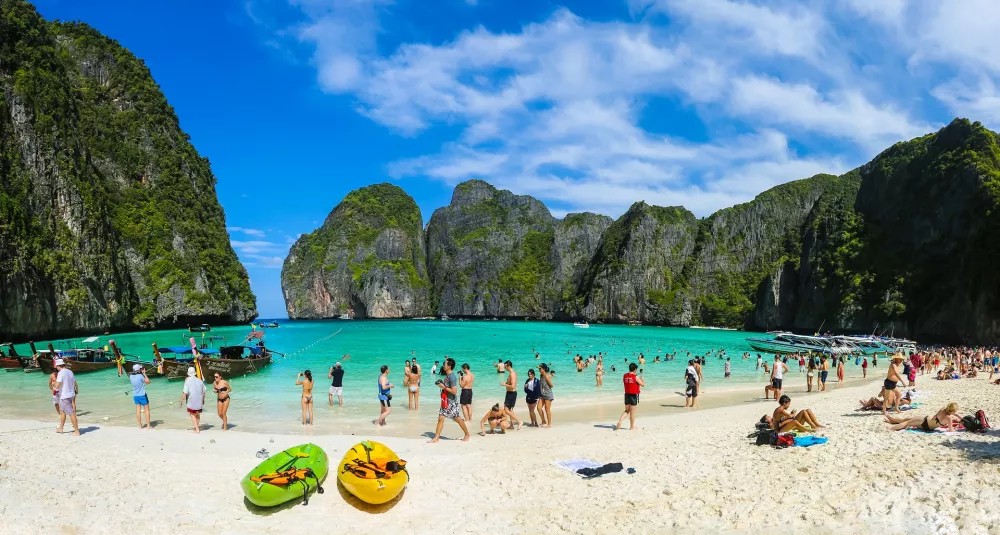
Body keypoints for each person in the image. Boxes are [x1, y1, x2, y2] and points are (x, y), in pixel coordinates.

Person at [429, 358, 471, 442]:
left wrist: (443, 387)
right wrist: (442, 384)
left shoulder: (452, 377)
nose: (443, 365)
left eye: (445, 364)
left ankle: (467, 434)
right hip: (445, 401)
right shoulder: (447, 376)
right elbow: (448, 387)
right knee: (441, 418)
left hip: (451, 402)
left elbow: (454, 391)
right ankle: (436, 438)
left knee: (457, 419)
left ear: (449, 366)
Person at [885, 402, 960, 432]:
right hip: (927, 427)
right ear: (953, 411)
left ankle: (891, 427)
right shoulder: (948, 418)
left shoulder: (943, 409)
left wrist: (955, 415)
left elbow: (936, 417)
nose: (956, 412)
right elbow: (951, 430)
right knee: (908, 420)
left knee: (907, 422)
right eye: (955, 411)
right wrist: (956, 429)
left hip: (925, 420)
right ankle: (891, 421)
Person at [615, 363, 645, 430]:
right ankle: (631, 427)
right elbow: (643, 385)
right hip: (633, 396)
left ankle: (620, 421)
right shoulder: (636, 377)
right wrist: (642, 379)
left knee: (627, 410)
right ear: (635, 369)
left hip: (626, 395)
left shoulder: (624, 376)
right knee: (632, 413)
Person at [54, 359, 80, 436]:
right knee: (62, 411)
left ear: (58, 366)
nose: (56, 368)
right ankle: (61, 428)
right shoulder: (70, 371)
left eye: (57, 366)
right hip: (71, 394)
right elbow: (74, 383)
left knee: (71, 413)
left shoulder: (61, 373)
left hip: (65, 396)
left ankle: (77, 431)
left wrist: (54, 385)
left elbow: (57, 385)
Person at [180, 367, 206, 433]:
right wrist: (203, 400)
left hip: (192, 400)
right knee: (197, 414)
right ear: (195, 373)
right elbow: (204, 392)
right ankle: (196, 428)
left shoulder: (187, 381)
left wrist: (181, 400)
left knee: (192, 414)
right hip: (199, 399)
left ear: (188, 373)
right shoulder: (200, 380)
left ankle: (197, 429)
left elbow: (185, 392)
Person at [499, 360, 522, 429]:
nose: (505, 368)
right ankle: (512, 425)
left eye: (505, 366)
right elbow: (510, 383)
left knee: (506, 410)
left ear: (508, 366)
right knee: (510, 410)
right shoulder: (511, 373)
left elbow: (513, 386)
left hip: (511, 393)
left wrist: (504, 384)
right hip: (510, 393)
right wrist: (506, 382)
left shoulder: (512, 374)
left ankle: (519, 421)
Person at [130, 364, 152, 430]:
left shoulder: (131, 376)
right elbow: (148, 382)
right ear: (138, 369)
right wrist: (144, 374)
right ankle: (148, 426)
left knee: (138, 411)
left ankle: (140, 426)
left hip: (135, 396)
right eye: (140, 368)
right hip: (142, 395)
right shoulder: (140, 376)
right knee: (147, 410)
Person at [537, 363, 554, 428]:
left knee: (547, 409)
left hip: (548, 395)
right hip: (542, 394)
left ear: (543, 369)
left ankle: (549, 424)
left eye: (540, 368)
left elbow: (551, 386)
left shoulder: (547, 376)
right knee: (539, 408)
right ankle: (543, 421)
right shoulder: (541, 375)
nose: (539, 369)